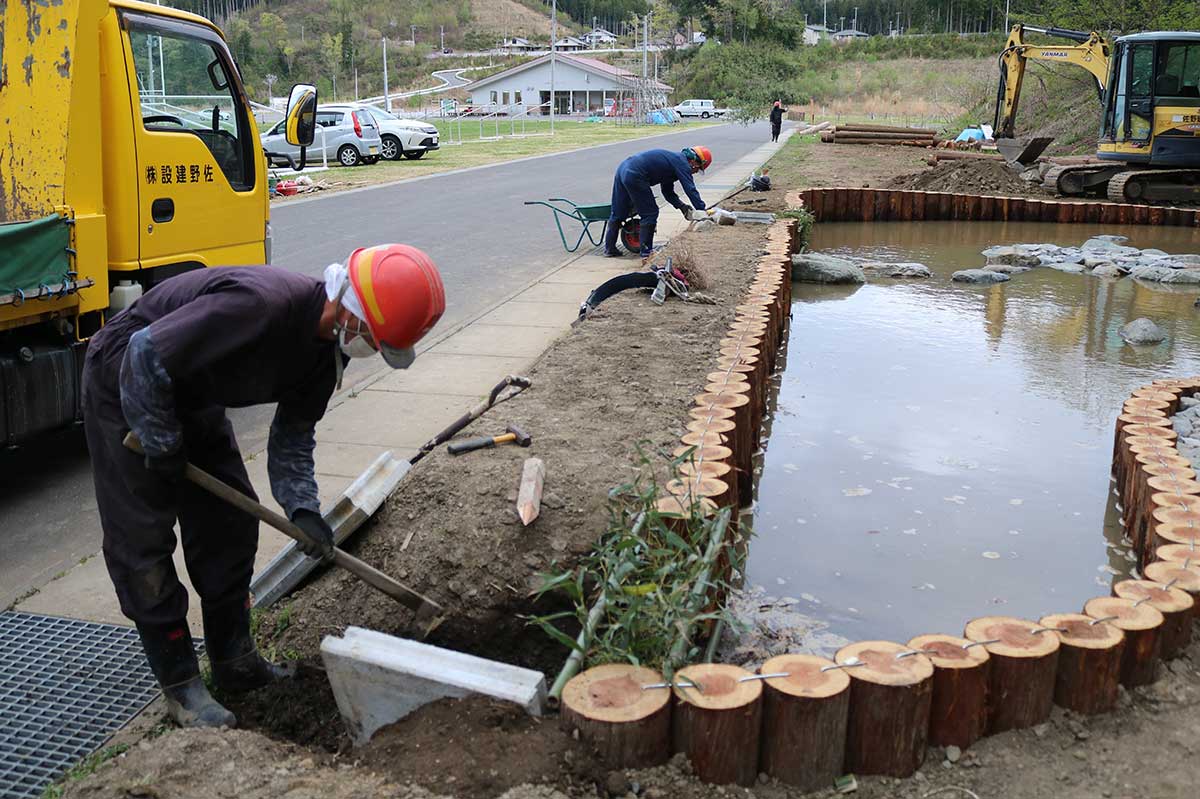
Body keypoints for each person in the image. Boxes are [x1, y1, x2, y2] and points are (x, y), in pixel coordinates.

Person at [81, 246, 445, 728]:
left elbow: (293, 439)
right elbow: (144, 353)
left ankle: (235, 662)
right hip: (125, 377)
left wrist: (305, 511)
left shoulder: (324, 357)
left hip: (190, 391)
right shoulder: (261, 307)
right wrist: (161, 439)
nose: (374, 351)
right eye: (376, 340)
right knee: (142, 541)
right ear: (349, 306)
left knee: (230, 524)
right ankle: (182, 687)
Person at [603, 146, 712, 259]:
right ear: (694, 161)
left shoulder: (673, 161)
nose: (694, 172)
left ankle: (609, 249)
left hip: (623, 168)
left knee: (618, 212)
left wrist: (682, 207)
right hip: (636, 174)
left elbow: (667, 192)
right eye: (698, 169)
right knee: (650, 213)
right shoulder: (682, 163)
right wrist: (701, 210)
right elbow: (690, 189)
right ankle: (646, 252)